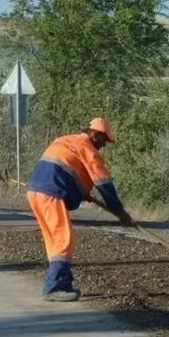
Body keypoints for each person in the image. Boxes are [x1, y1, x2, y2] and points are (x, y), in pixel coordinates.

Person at [27, 117, 133, 301]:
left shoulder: (64, 140)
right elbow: (104, 183)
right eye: (103, 140)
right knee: (63, 239)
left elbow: (64, 170)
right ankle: (55, 287)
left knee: (53, 240)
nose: (104, 145)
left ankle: (63, 283)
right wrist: (119, 211)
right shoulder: (88, 148)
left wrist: (79, 191)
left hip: (35, 192)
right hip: (52, 194)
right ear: (94, 134)